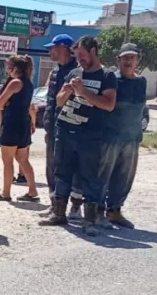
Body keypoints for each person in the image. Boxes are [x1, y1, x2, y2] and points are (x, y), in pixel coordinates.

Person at [40, 36, 116, 236]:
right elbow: (58, 101)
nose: (79, 59)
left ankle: (89, 220)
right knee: (61, 173)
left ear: (93, 52)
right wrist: (66, 92)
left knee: (90, 178)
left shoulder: (107, 76)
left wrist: (83, 93)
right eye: (77, 55)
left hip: (90, 136)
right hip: (65, 131)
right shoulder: (74, 73)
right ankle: (58, 213)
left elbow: (109, 104)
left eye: (82, 55)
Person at [99, 42, 146, 229]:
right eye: (125, 57)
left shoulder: (141, 81)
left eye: (132, 57)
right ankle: (98, 211)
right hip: (111, 136)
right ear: (118, 60)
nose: (129, 61)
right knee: (104, 176)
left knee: (125, 177)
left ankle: (115, 211)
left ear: (137, 60)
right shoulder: (112, 80)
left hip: (132, 138)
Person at [40, 34, 84, 218]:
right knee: (52, 167)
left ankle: (75, 206)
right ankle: (54, 205)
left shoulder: (78, 72)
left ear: (65, 48)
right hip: (53, 127)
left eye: (54, 47)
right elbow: (50, 101)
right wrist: (47, 127)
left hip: (71, 128)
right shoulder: (55, 72)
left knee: (72, 168)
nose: (51, 51)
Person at [0, 55, 39, 203]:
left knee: (8, 160)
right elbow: (30, 107)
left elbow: (0, 104)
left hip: (11, 124)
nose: (7, 70)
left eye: (8, 66)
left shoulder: (15, 83)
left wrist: (0, 123)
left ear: (15, 68)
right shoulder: (28, 83)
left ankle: (6, 193)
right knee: (23, 160)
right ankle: (32, 190)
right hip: (24, 123)